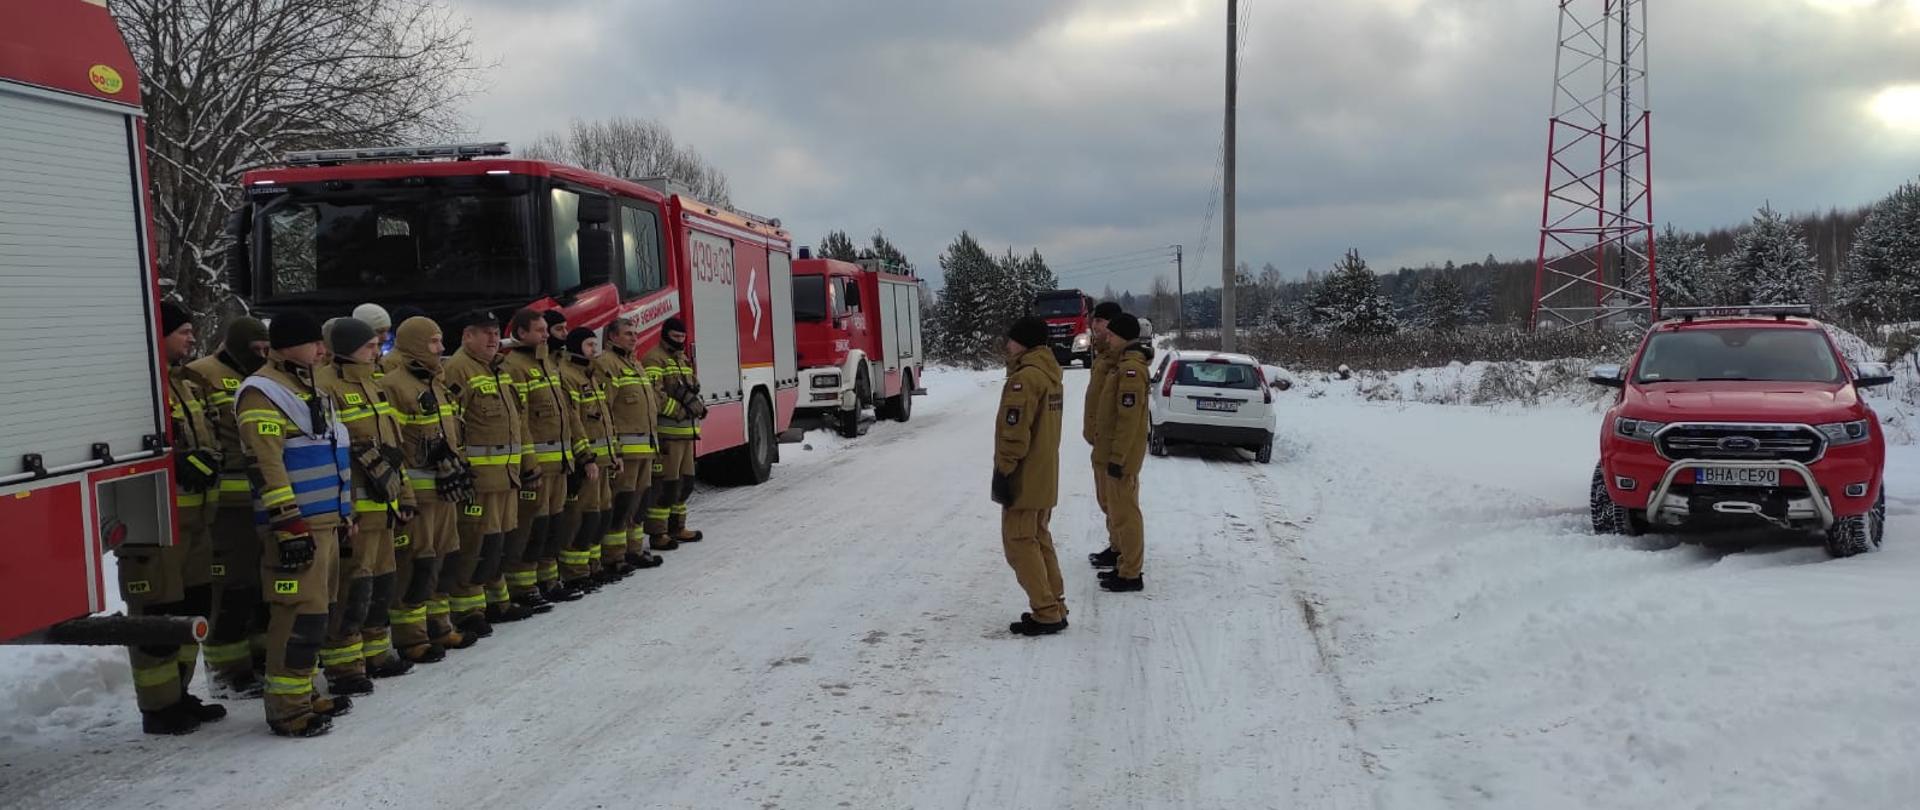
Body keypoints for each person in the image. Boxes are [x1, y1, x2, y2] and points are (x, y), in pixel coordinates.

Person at [234, 311, 354, 737]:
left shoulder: (309, 385)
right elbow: (266, 464)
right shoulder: (262, 392)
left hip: (324, 520)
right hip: (297, 524)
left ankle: (303, 692)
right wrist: (288, 523)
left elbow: (332, 451)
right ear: (287, 345)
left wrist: (344, 513)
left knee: (317, 614)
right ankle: (287, 709)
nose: (322, 349)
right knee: (297, 616)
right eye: (313, 342)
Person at [118, 302, 229, 734]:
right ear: (158, 333)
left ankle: (179, 694)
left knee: (192, 609)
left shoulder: (184, 383)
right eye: (183, 330)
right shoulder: (136, 385)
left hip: (196, 520)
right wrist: (174, 461)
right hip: (156, 524)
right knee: (158, 615)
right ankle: (158, 708)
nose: (191, 338)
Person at [316, 317, 417, 691]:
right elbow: (329, 455)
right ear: (347, 349)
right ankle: (344, 665)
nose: (377, 352)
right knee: (352, 586)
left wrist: (405, 495)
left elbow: (393, 450)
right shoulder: (326, 388)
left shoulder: (374, 385)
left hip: (384, 505)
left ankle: (377, 653)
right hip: (356, 509)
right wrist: (343, 510)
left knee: (381, 582)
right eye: (369, 347)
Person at [183, 316, 272, 698]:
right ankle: (226, 671)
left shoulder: (265, 374)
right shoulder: (202, 374)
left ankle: (259, 660)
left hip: (261, 497)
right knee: (230, 589)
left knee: (260, 585)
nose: (262, 355)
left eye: (266, 349)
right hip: (224, 504)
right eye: (256, 350)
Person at [379, 315, 476, 657]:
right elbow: (393, 444)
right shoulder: (394, 385)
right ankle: (412, 636)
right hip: (419, 494)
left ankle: (440, 626)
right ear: (416, 344)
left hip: (445, 489)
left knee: (445, 560)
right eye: (434, 341)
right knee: (417, 565)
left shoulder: (436, 382)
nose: (441, 347)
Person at [439, 310, 536, 636]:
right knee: (475, 545)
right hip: (480, 481)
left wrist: (527, 464)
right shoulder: (458, 369)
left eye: (496, 332)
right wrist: (461, 469)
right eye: (485, 333)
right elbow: (452, 427)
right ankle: (468, 610)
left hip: (506, 477)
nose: (493, 339)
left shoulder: (498, 369)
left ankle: (497, 601)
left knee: (497, 543)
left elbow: (517, 422)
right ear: (467, 336)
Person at [500, 309, 591, 608]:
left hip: (560, 462)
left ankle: (549, 580)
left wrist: (582, 454)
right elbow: (520, 421)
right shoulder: (514, 367)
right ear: (521, 333)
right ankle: (523, 586)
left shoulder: (548, 364)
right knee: (532, 528)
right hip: (538, 465)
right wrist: (529, 465)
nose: (544, 335)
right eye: (539, 330)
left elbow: (568, 414)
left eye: (544, 330)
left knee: (553, 525)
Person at [992, 316, 1067, 636]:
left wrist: (1005, 470)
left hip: (1024, 475)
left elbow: (1014, 433)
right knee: (1039, 537)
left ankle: (1046, 611)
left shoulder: (1025, 379)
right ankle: (1055, 603)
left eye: (1012, 339)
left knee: (1020, 542)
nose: (1008, 344)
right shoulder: (1050, 374)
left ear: (1023, 342)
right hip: (1044, 473)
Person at [594, 317, 665, 573]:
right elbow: (604, 409)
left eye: (635, 333)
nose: (634, 337)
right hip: (625, 452)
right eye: (628, 333)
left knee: (640, 502)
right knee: (621, 502)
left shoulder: (635, 363)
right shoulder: (606, 364)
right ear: (612, 337)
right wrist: (614, 449)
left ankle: (634, 550)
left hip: (645, 448)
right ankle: (614, 556)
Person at [1093, 313, 1153, 593]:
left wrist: (1117, 458)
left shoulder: (1130, 370)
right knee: (1119, 513)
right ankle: (1125, 565)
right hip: (1115, 454)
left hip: (1122, 458)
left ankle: (1131, 573)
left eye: (1112, 335)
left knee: (1126, 515)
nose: (1108, 338)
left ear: (1124, 338)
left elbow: (1127, 422)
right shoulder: (1122, 364)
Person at [556, 327, 619, 590]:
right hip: (587, 462)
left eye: (595, 344)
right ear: (575, 347)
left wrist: (614, 453)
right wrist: (585, 458)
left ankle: (593, 565)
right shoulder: (568, 376)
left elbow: (605, 420)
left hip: (602, 460)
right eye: (589, 345)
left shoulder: (590, 375)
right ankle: (576, 571)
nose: (594, 350)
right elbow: (574, 423)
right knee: (580, 517)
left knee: (598, 515)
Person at [642, 317, 705, 551]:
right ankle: (658, 533)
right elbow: (655, 396)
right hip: (667, 435)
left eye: (682, 337)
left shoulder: (682, 359)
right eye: (675, 337)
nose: (679, 341)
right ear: (665, 335)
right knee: (665, 486)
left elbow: (692, 387)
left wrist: (697, 406)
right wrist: (681, 410)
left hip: (686, 433)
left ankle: (678, 527)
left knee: (684, 484)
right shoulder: (653, 359)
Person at [1081, 301, 1124, 570]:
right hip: (1099, 440)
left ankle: (1126, 556)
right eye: (1093, 320)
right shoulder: (1102, 354)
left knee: (1118, 502)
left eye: (1099, 321)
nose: (1093, 325)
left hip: (1112, 441)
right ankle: (1116, 545)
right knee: (1106, 500)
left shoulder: (1119, 356)